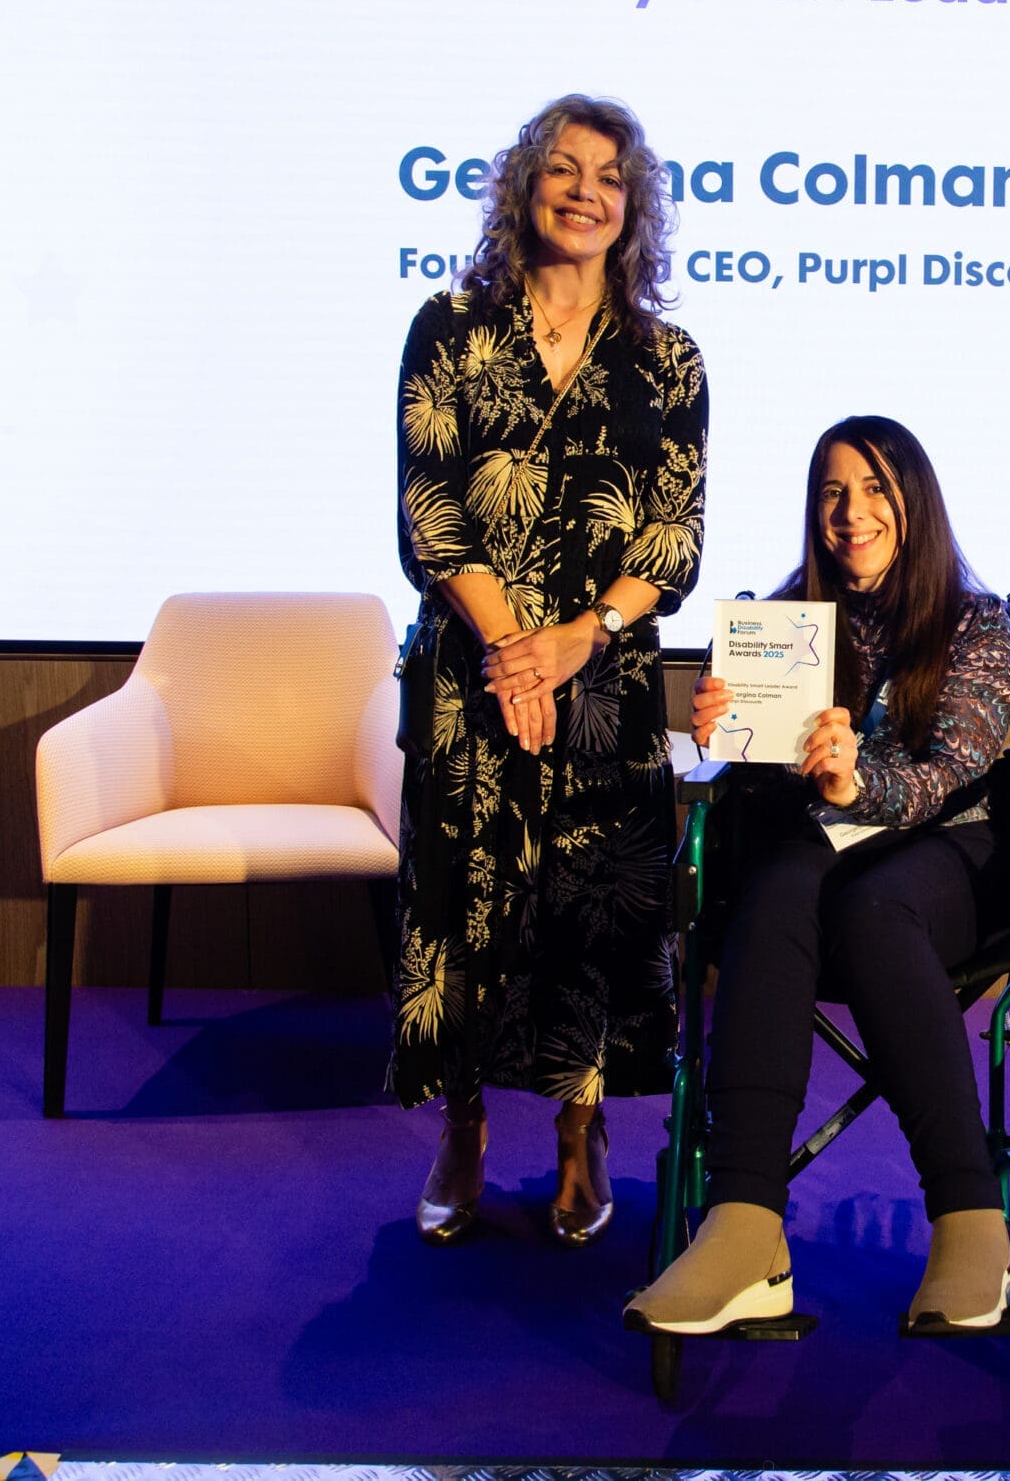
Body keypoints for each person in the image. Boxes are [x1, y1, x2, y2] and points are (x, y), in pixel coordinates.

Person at [390, 93, 708, 1250]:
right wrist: (507, 648)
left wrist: (575, 638)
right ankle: (462, 1124)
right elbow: (429, 509)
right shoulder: (450, 326)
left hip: (606, 685)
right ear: (525, 184)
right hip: (471, 684)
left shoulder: (668, 358)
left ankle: (581, 1128)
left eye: (610, 177)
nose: (586, 190)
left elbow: (672, 534)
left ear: (635, 210)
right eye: (564, 168)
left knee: (584, 912)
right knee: (467, 907)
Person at [625, 415, 1010, 1335]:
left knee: (876, 909)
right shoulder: (779, 623)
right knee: (771, 895)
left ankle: (970, 1219)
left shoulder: (975, 623)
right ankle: (744, 1229)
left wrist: (859, 777)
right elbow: (754, 777)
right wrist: (726, 733)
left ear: (914, 500)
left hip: (942, 853)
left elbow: (943, 772)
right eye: (834, 492)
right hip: (816, 854)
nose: (853, 513)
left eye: (877, 488)